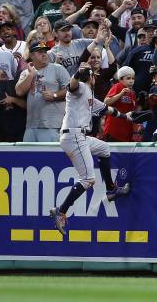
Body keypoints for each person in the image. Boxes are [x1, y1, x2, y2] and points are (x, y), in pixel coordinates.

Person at [49, 62, 135, 236]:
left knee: (104, 148)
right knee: (88, 179)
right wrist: (78, 74)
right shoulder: (80, 87)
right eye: (94, 75)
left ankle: (111, 190)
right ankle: (61, 211)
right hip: (73, 136)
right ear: (90, 77)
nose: (96, 77)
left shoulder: (88, 94)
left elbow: (106, 109)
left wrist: (124, 116)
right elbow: (72, 86)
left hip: (79, 136)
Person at [15, 41, 70, 142]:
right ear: (31, 55)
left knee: (50, 157)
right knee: (29, 156)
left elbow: (71, 90)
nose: (44, 54)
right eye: (40, 52)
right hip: (31, 126)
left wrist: (54, 95)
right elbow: (19, 92)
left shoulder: (58, 68)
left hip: (52, 125)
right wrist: (31, 75)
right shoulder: (26, 73)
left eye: (45, 51)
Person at [103, 66, 136, 142]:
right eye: (128, 78)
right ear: (120, 79)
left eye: (133, 78)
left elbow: (132, 111)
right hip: (114, 130)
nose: (131, 81)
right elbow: (106, 102)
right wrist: (120, 94)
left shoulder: (132, 93)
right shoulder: (118, 86)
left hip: (126, 132)